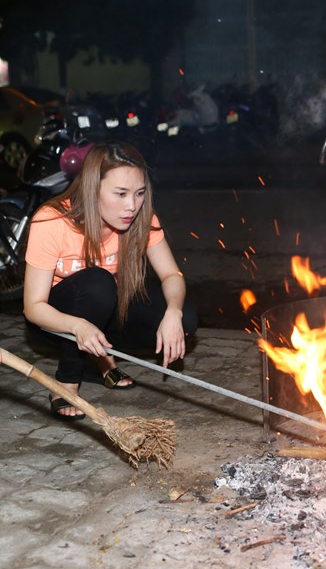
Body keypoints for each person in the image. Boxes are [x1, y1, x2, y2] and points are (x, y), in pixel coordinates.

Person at [23, 142, 198, 421]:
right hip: (56, 322)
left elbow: (171, 275)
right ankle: (66, 382)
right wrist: (77, 325)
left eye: (139, 193)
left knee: (186, 317)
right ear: (93, 189)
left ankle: (100, 362)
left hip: (104, 317)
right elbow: (33, 307)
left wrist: (173, 312)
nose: (132, 205)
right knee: (98, 283)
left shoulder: (142, 219)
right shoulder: (52, 221)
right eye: (121, 194)